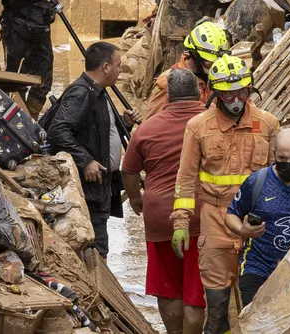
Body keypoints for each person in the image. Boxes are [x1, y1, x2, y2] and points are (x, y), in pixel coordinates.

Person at [172, 54, 279, 334]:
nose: (235, 99)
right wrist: (181, 223)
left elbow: (279, 178)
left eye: (240, 92)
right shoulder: (198, 127)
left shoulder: (267, 124)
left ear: (248, 90)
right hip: (216, 221)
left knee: (259, 303)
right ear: (216, 93)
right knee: (217, 309)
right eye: (228, 93)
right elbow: (185, 177)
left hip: (258, 224)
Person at [121, 69, 208, 334]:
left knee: (169, 287)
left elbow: (129, 170)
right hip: (202, 214)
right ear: (200, 92)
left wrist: (137, 199)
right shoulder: (211, 122)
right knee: (196, 290)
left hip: (160, 214)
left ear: (167, 95)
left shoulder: (147, 128)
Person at [47, 42, 137, 257]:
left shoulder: (98, 92)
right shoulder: (81, 93)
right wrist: (85, 160)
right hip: (87, 191)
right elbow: (58, 130)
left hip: (100, 189)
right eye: (118, 65)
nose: (119, 70)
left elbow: (95, 133)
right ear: (106, 67)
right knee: (96, 249)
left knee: (98, 245)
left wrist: (124, 124)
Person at [224, 128, 290, 306]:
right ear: (274, 154)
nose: (288, 163)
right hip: (257, 265)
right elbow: (231, 214)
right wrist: (242, 230)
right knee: (254, 319)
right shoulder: (257, 181)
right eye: (283, 158)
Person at [145, 22, 230, 119]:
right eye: (209, 62)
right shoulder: (167, 82)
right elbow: (153, 122)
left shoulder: (217, 77)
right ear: (194, 55)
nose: (214, 67)